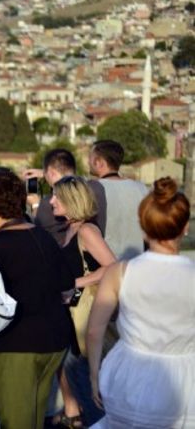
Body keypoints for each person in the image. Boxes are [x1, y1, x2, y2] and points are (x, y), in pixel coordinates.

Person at [0, 168, 74, 429]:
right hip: (54, 342)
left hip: (15, 347)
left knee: (15, 423)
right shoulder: (43, 236)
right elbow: (68, 287)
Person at [87, 177, 195, 427]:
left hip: (130, 379)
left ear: (144, 229)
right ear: (185, 228)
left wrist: (94, 374)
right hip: (185, 384)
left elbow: (94, 331)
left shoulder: (120, 272)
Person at [49, 175, 117, 427]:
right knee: (78, 377)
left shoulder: (87, 230)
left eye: (57, 196)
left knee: (90, 385)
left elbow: (112, 265)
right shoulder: (70, 229)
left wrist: (76, 283)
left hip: (87, 320)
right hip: (74, 320)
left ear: (72, 200)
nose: (51, 200)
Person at [24, 148, 106, 245]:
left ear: (51, 172)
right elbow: (75, 182)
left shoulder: (47, 204)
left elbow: (37, 231)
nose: (53, 200)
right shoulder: (96, 188)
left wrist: (35, 205)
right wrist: (46, 172)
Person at [88, 140, 148, 260]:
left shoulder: (92, 188)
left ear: (98, 162)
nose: (88, 162)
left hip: (107, 266)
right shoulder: (142, 188)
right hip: (138, 262)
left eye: (90, 158)